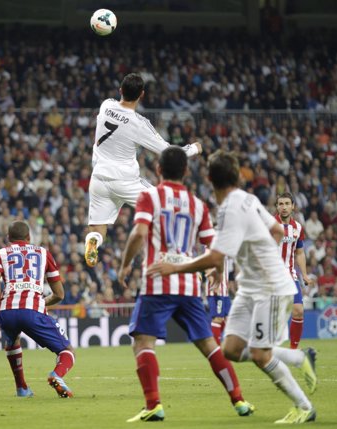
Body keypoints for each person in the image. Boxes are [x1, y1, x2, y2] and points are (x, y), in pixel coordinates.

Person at [148, 151, 317, 424]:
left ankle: (304, 406)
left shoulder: (229, 208)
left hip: (270, 288)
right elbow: (276, 230)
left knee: (261, 354)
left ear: (209, 178)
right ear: (237, 176)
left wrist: (175, 268)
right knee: (231, 349)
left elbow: (216, 255)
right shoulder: (247, 199)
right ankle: (299, 358)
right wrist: (253, 260)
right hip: (250, 287)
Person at [119, 147, 254, 422]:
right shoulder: (198, 204)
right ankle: (239, 399)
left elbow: (139, 232)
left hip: (158, 281)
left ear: (158, 169)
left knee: (143, 342)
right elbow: (212, 244)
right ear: (186, 171)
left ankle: (153, 404)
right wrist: (216, 269)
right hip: (190, 284)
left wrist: (125, 264)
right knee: (208, 345)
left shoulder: (150, 196)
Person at [84, 72, 203, 267]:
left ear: (120, 90)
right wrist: (193, 148)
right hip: (126, 181)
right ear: (142, 95)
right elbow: (167, 151)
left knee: (97, 227)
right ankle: (176, 256)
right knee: (164, 206)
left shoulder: (106, 105)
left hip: (98, 179)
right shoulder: (138, 123)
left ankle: (93, 240)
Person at [0, 221, 75, 398]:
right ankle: (56, 375)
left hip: (7, 311)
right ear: (29, 238)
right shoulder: (43, 253)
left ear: (8, 239)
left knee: (12, 342)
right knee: (67, 350)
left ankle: (22, 388)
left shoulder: (0, 254)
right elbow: (59, 294)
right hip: (32, 309)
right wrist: (42, 302)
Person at [275, 193, 314, 349]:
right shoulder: (269, 225)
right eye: (280, 204)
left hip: (290, 275)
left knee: (298, 311)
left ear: (293, 206)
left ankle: (293, 350)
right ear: (277, 206)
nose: (283, 207)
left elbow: (299, 252)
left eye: (286, 204)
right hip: (271, 276)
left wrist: (304, 274)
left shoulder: (297, 227)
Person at [207, 258, 233, 344]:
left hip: (224, 292)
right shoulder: (210, 248)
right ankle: (215, 345)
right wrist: (214, 284)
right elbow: (207, 268)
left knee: (228, 319)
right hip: (217, 291)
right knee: (217, 318)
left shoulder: (222, 250)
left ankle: (223, 342)